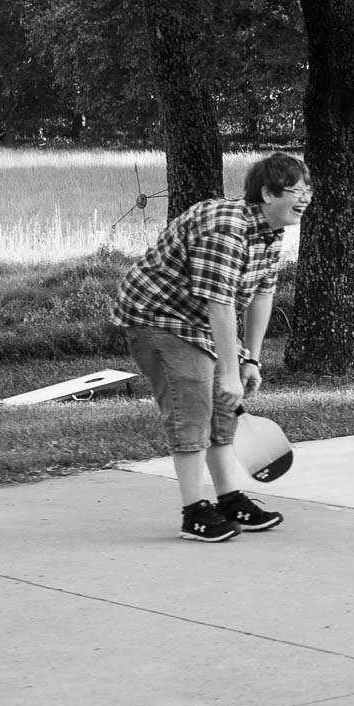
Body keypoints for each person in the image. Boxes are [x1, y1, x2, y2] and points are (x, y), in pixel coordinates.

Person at [112, 152, 310, 542]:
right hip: (160, 318)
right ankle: (194, 514)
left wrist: (250, 359)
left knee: (223, 411)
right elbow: (220, 304)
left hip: (200, 320)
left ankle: (229, 500)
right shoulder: (227, 229)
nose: (304, 198)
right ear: (268, 194)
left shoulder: (271, 231)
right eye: (296, 191)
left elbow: (262, 294)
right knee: (192, 409)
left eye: (308, 191)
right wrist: (229, 373)